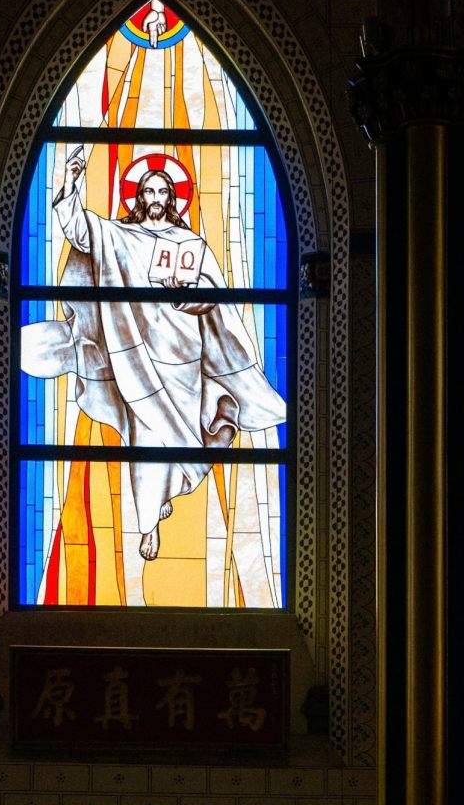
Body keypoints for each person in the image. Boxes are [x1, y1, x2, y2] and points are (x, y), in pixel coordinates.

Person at [19, 144, 286, 561]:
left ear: (173, 198)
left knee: (184, 436)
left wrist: (184, 294)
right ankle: (148, 525)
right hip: (136, 354)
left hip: (183, 355)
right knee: (146, 433)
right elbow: (80, 230)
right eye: (149, 191)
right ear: (139, 197)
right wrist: (70, 183)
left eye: (163, 191)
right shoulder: (119, 235)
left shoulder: (190, 243)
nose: (156, 198)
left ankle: (167, 488)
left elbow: (212, 296)